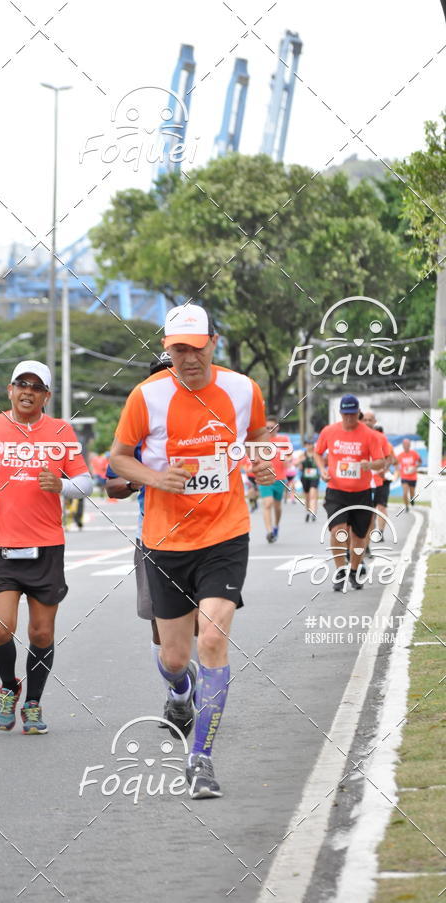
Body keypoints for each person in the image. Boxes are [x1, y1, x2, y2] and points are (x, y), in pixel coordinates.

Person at [110, 304, 276, 799]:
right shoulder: (147, 397)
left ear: (213, 343)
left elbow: (259, 435)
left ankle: (200, 759)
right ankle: (179, 694)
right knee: (177, 658)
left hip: (226, 533)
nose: (187, 358)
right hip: (165, 541)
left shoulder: (243, 389)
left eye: (195, 347)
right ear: (168, 350)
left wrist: (264, 462)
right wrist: (156, 478)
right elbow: (119, 458)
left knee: (212, 641)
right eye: (177, 349)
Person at [0, 361, 92, 735]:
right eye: (21, 384)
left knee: (41, 634)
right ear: (10, 389)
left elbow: (86, 481)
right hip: (0, 546)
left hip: (46, 547)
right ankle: (8, 686)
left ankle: (32, 703)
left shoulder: (61, 431)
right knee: (0, 631)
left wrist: (61, 485)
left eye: (36, 386)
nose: (27, 391)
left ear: (47, 395)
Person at [105, 352, 196, 725]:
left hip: (208, 536)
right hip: (155, 538)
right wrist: (136, 479)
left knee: (204, 625)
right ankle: (178, 692)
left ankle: (197, 694)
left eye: (172, 375)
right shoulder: (137, 425)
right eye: (159, 377)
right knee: (162, 628)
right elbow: (111, 485)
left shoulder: (205, 419)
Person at [314, 395, 385, 592]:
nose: (349, 419)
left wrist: (369, 464)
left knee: (359, 537)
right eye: (345, 414)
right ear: (341, 413)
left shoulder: (369, 435)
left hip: (361, 492)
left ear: (358, 413)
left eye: (352, 414)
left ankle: (354, 571)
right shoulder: (329, 431)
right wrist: (322, 469)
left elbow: (381, 461)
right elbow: (317, 453)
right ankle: (340, 571)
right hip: (336, 491)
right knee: (338, 531)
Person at [362, 411, 397, 542]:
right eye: (364, 420)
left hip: (380, 480)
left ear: (375, 422)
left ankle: (379, 533)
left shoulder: (381, 439)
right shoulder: (356, 436)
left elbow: (390, 458)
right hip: (362, 481)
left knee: (381, 507)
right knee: (367, 513)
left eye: (370, 420)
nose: (367, 422)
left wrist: (384, 468)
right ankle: (365, 543)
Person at [259, 415, 292, 543]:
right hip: (265, 477)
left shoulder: (284, 440)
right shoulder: (260, 441)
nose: (269, 430)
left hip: (280, 478)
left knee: (277, 507)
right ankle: (269, 532)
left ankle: (276, 526)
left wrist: (288, 460)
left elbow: (289, 456)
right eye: (267, 428)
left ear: (277, 427)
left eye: (272, 427)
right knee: (267, 503)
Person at [396, 438, 422, 511]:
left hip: (413, 477)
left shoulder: (414, 453)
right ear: (403, 446)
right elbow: (397, 464)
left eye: (407, 444)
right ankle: (406, 506)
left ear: (409, 445)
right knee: (404, 493)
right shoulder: (400, 455)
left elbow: (420, 461)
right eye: (405, 444)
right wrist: (398, 470)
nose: (406, 446)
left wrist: (415, 467)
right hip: (404, 477)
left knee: (412, 493)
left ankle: (412, 499)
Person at [300, 439, 320, 522]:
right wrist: (301, 462)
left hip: (314, 477)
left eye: (310, 443)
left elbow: (321, 464)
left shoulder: (316, 454)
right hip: (305, 478)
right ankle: (308, 512)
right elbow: (297, 465)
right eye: (307, 444)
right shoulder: (303, 455)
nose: (309, 445)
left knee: (313, 495)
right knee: (307, 497)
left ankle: (313, 512)